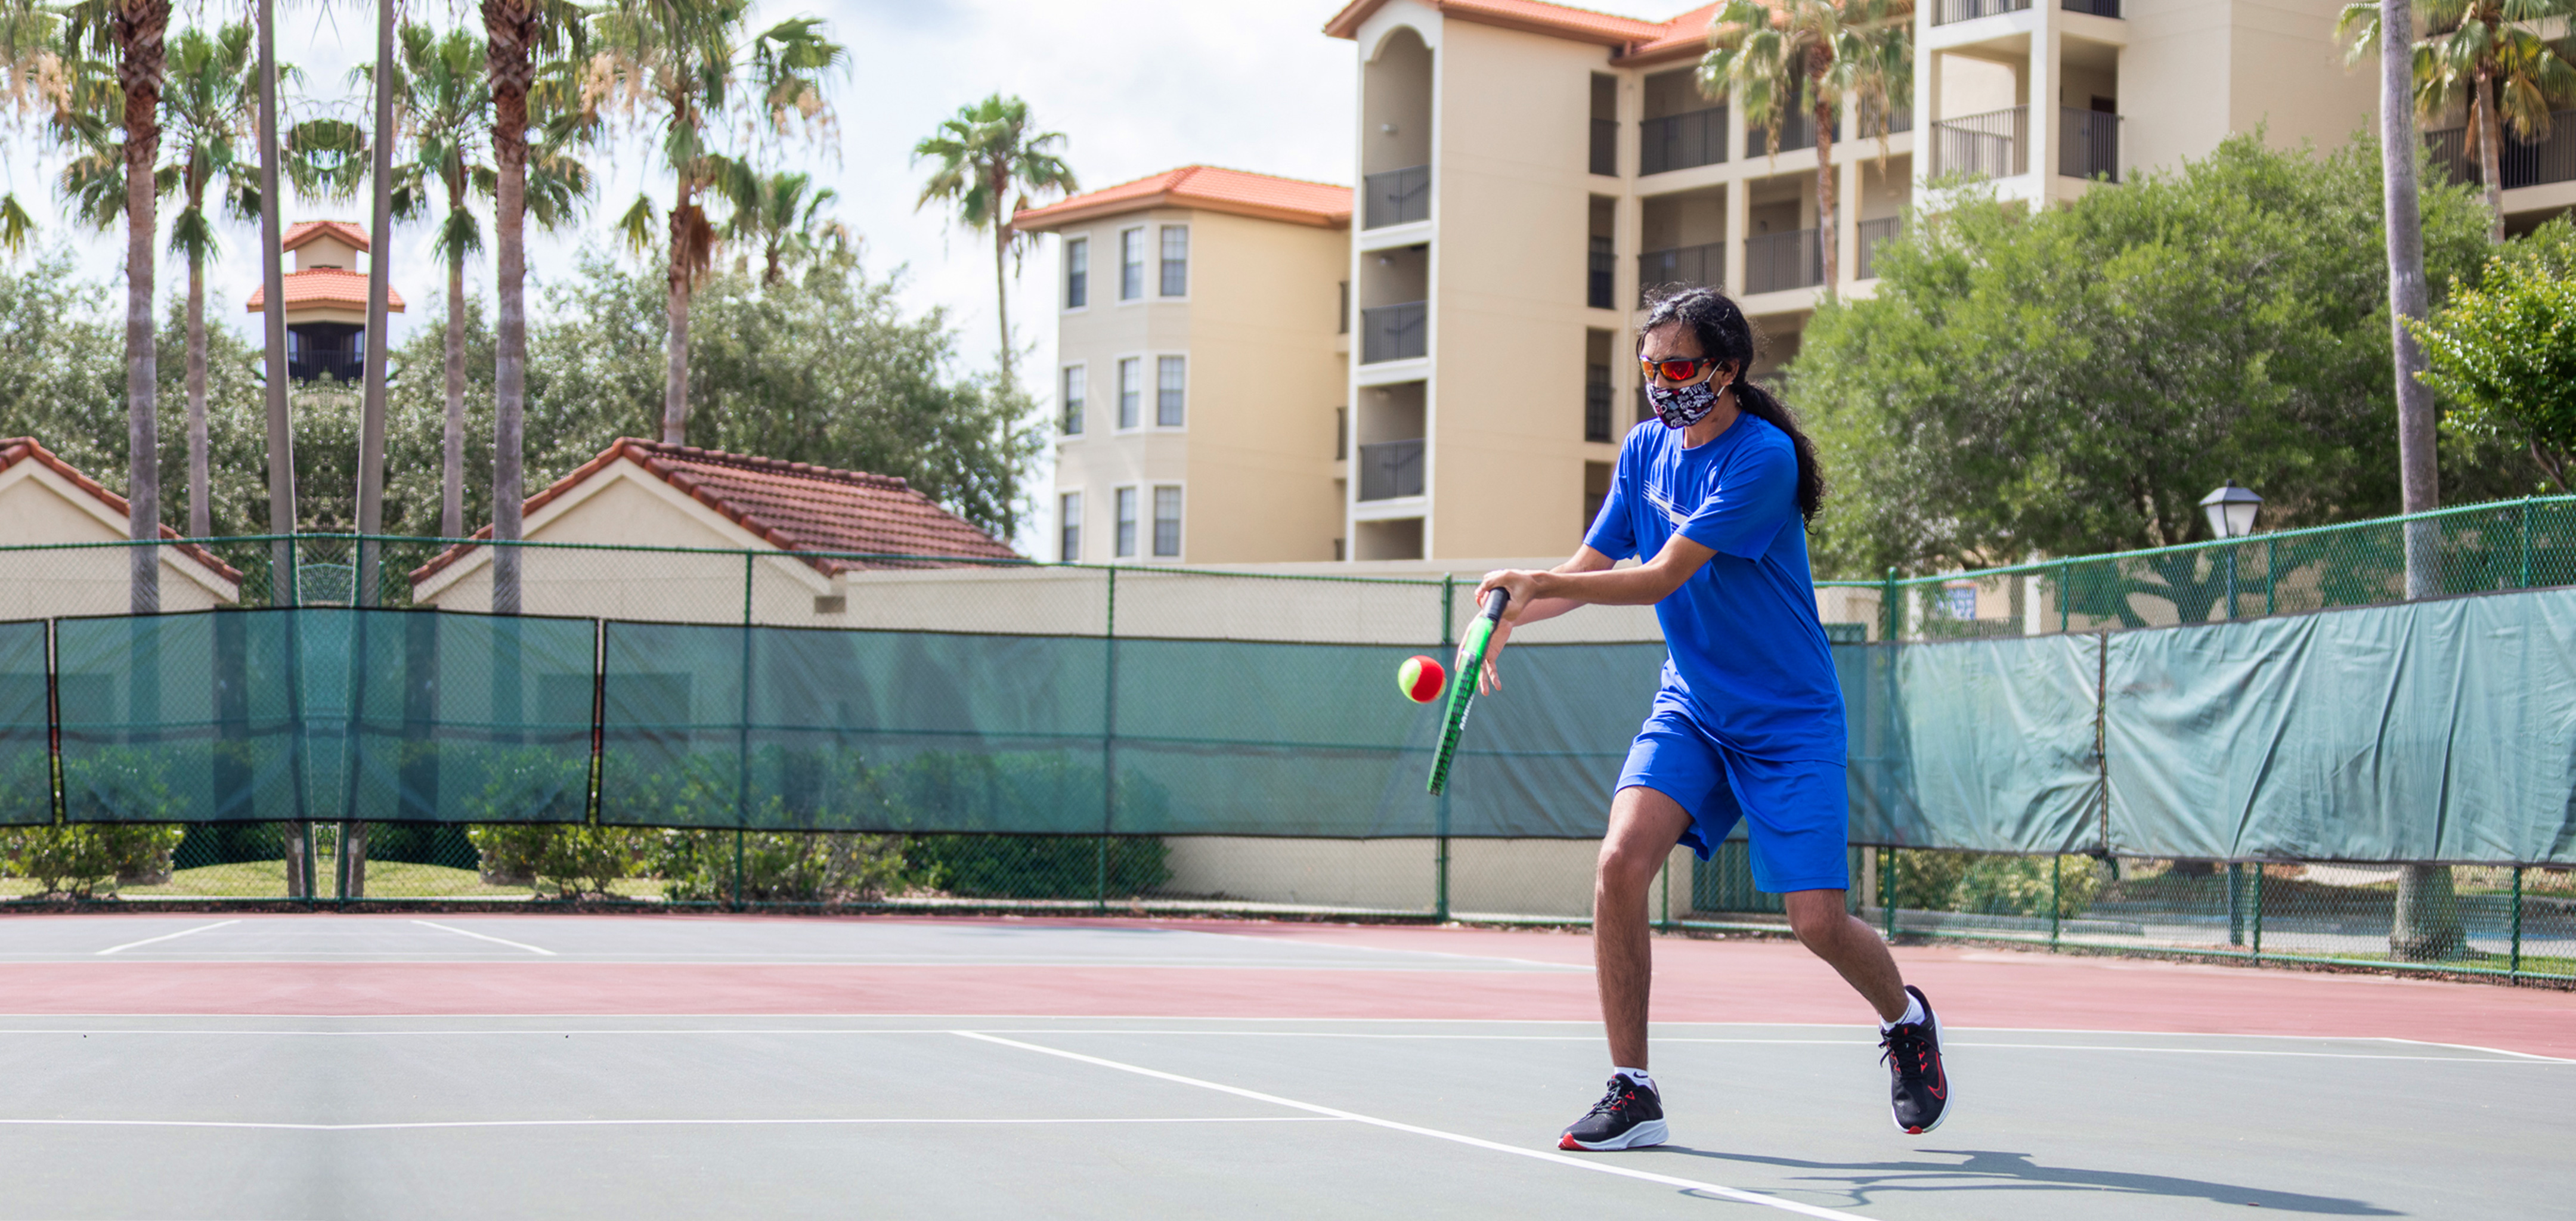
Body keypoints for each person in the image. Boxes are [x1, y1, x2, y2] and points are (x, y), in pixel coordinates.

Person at [1467, 286, 1948, 1151]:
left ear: (1727, 371)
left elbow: (1655, 577)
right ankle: (1633, 1089)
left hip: (1787, 722)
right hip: (1690, 705)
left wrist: (1536, 583)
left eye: (1680, 367)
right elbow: (1591, 564)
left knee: (1817, 924)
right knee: (1619, 864)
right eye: (1649, 368)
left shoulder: (1762, 460)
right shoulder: (1644, 449)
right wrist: (1504, 614)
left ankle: (1906, 1019)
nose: (1661, 385)